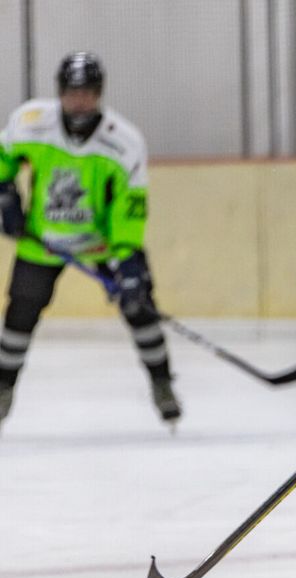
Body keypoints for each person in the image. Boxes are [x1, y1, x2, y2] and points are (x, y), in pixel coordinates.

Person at [0, 52, 179, 430]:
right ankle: (3, 388)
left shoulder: (124, 141)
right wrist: (5, 193)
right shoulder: (31, 122)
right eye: (72, 91)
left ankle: (162, 383)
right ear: (60, 92)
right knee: (20, 314)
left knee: (140, 306)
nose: (79, 99)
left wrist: (128, 259)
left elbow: (129, 206)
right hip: (43, 240)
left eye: (87, 92)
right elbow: (4, 159)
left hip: (100, 243)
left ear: (99, 93)